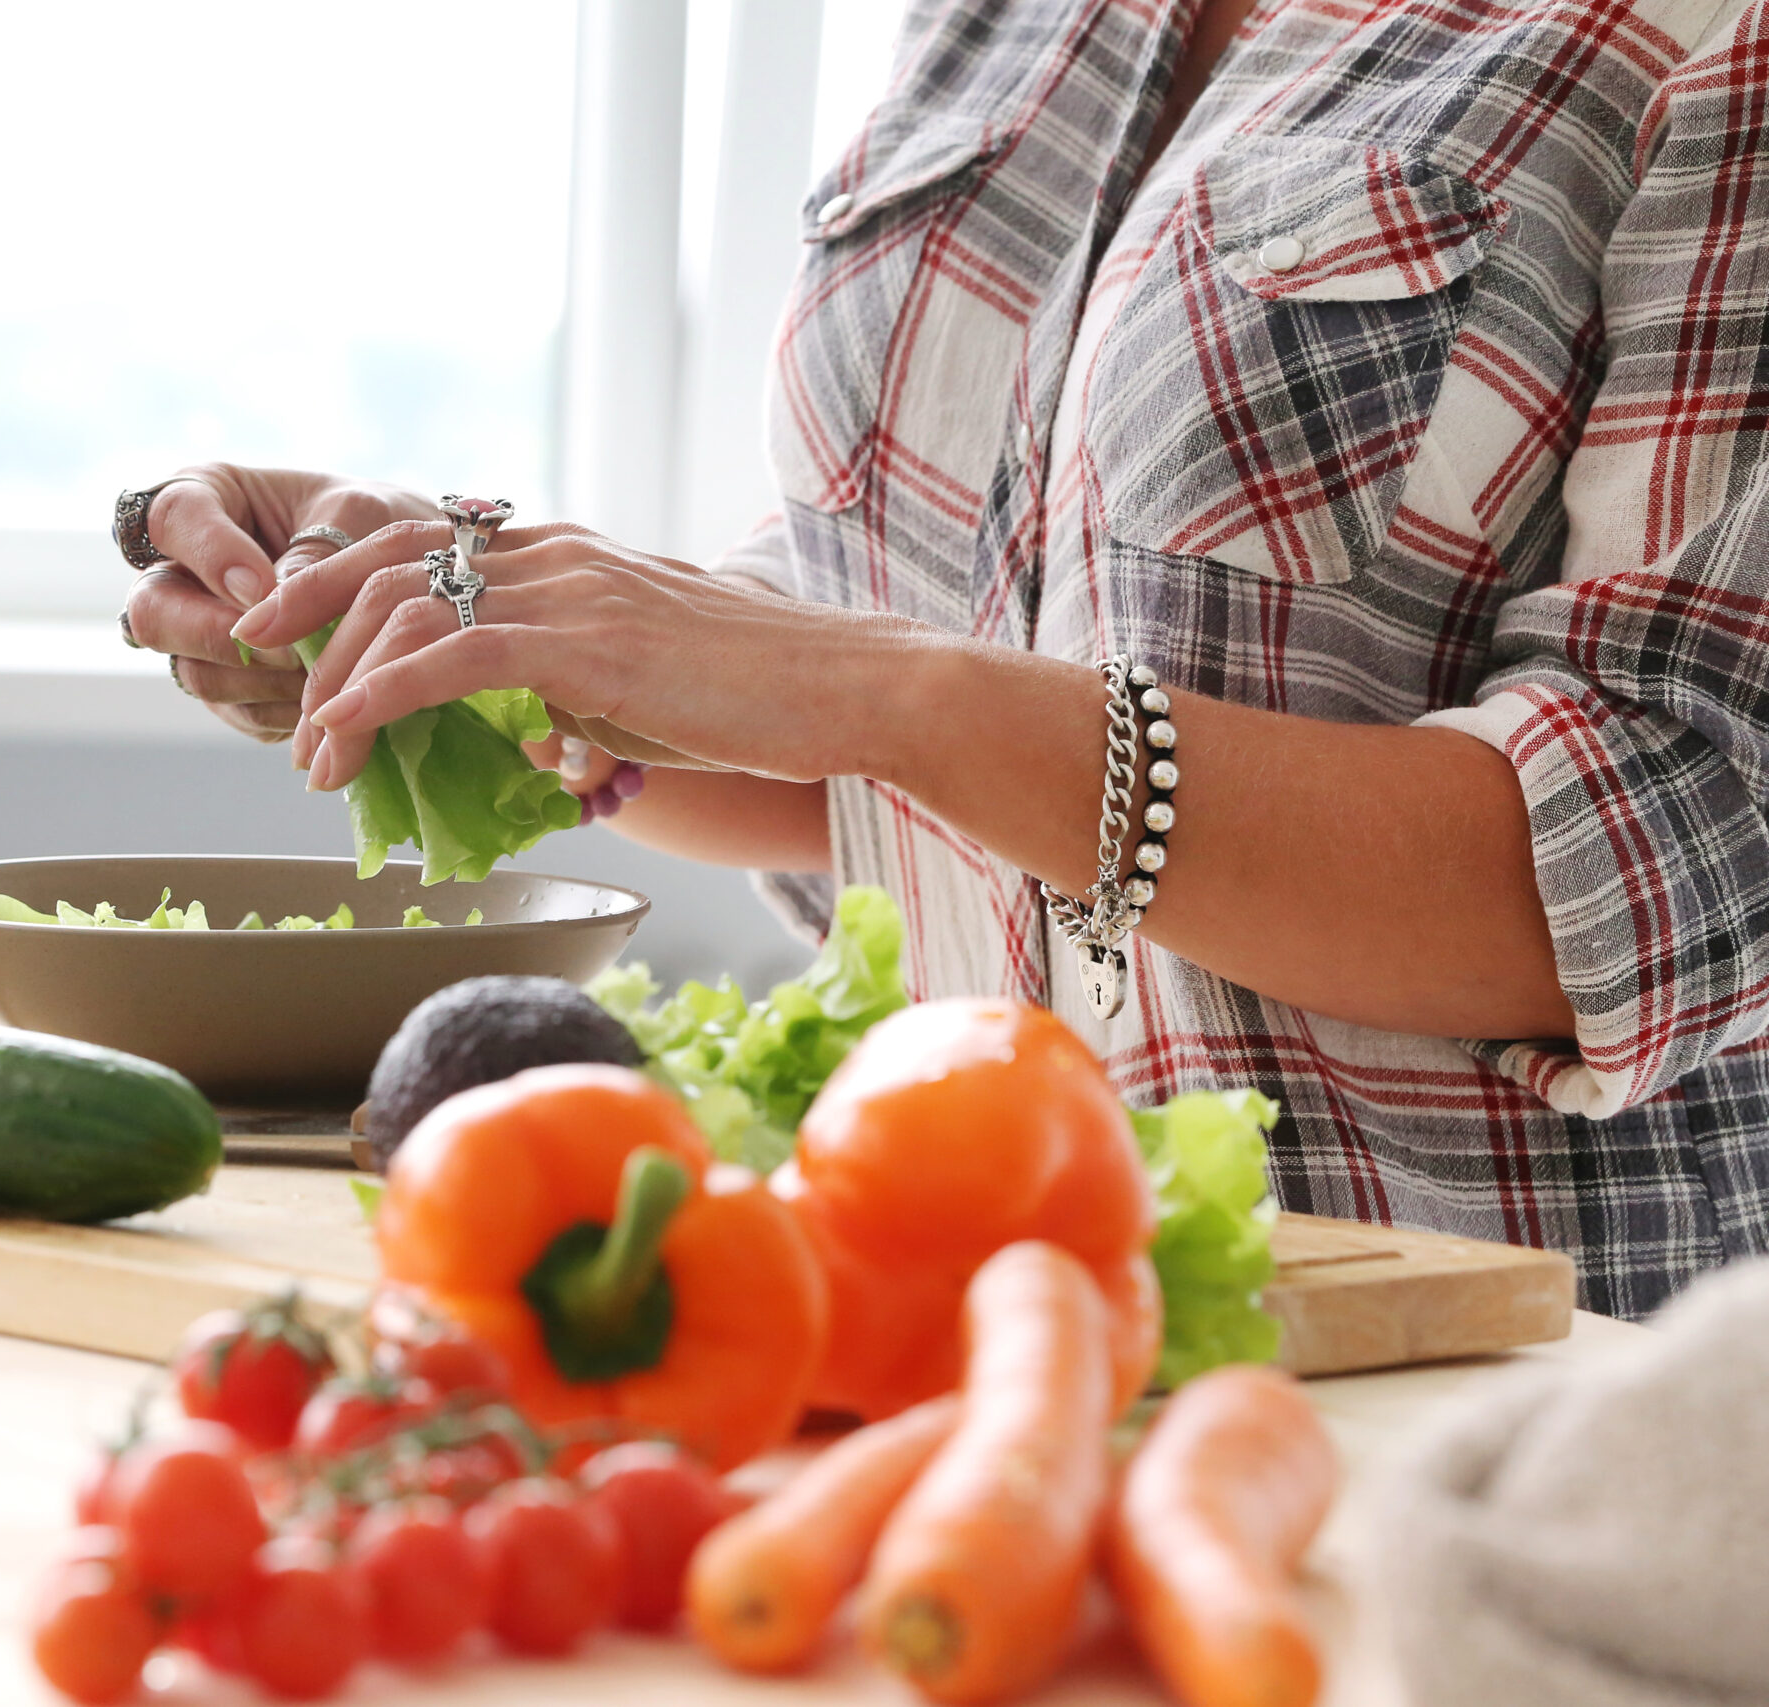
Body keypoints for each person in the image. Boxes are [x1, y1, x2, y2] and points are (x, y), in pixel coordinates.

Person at [115, 0, 1769, 1318]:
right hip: (958, 1303)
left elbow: (1666, 863)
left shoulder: (1704, 34)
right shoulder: (1000, 21)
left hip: (1475, 1379)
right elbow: (897, 647)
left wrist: (881, 691)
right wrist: (477, 615)